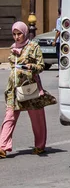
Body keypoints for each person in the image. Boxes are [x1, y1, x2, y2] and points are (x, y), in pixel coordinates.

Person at [0, 22, 57, 158]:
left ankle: (39, 145)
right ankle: (2, 146)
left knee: (37, 117)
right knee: (10, 116)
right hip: (14, 88)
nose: (16, 37)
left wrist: (30, 67)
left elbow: (41, 66)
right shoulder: (13, 48)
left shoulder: (33, 46)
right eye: (14, 34)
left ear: (24, 33)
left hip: (29, 88)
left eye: (19, 34)